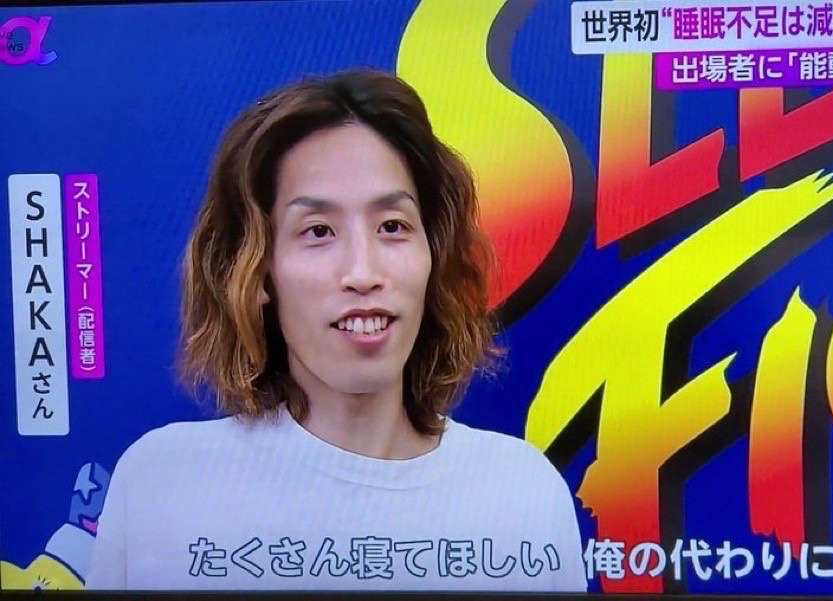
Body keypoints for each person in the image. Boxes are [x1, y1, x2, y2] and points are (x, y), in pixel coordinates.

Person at [86, 69, 587, 592]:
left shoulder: (523, 493)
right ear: (258, 272)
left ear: (433, 257)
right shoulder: (163, 484)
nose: (363, 273)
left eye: (392, 226)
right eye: (318, 231)